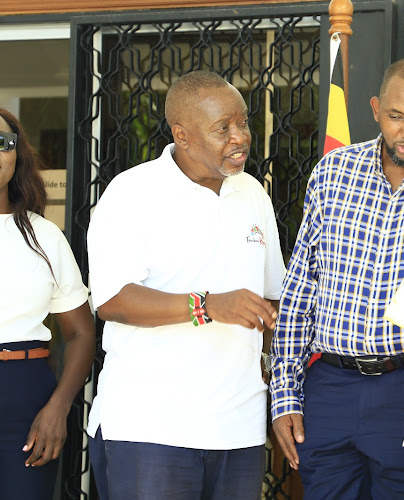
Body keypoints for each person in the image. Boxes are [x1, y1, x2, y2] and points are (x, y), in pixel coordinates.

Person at [270, 57, 404, 499]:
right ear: (376, 109)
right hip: (329, 387)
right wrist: (285, 395)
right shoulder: (332, 172)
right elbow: (301, 286)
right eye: (396, 117)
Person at [86, 70, 286, 500]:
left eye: (243, 122)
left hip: (239, 427)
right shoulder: (132, 193)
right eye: (223, 128)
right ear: (183, 135)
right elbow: (112, 300)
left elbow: (272, 297)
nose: (240, 137)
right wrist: (208, 306)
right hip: (152, 427)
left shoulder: (252, 193)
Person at [0, 108, 95, 499]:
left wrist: (58, 408)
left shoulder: (44, 237)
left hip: (25, 398)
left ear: (16, 154)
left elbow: (81, 332)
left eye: (3, 143)